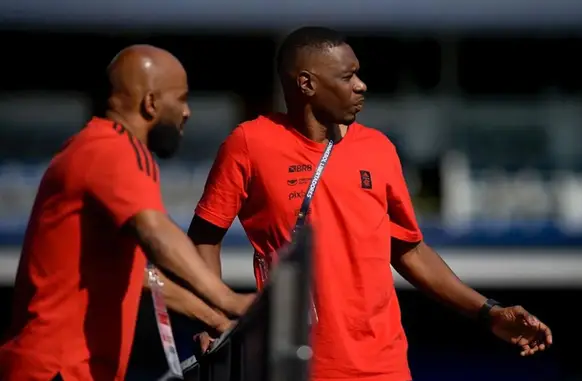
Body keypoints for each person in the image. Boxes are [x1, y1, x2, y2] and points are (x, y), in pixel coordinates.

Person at [188, 27, 553, 381]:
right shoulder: (249, 143)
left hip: (384, 366)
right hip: (291, 365)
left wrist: (490, 312)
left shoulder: (378, 149)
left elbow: (411, 250)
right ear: (306, 84)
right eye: (348, 77)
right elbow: (205, 236)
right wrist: (214, 318)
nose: (361, 86)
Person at [0, 44, 252, 381]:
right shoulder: (114, 150)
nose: (187, 112)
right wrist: (230, 299)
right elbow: (155, 230)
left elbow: (145, 276)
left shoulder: (95, 146)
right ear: (151, 103)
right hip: (57, 371)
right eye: (181, 98)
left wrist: (216, 318)